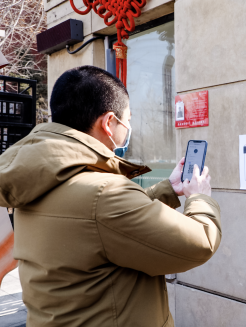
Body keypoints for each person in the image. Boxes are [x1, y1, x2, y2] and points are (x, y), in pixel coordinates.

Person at [0, 66, 221, 326]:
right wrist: (199, 197)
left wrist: (169, 190)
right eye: (128, 119)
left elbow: (102, 224)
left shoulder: (39, 177)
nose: (129, 127)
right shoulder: (103, 194)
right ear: (109, 122)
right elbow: (200, 242)